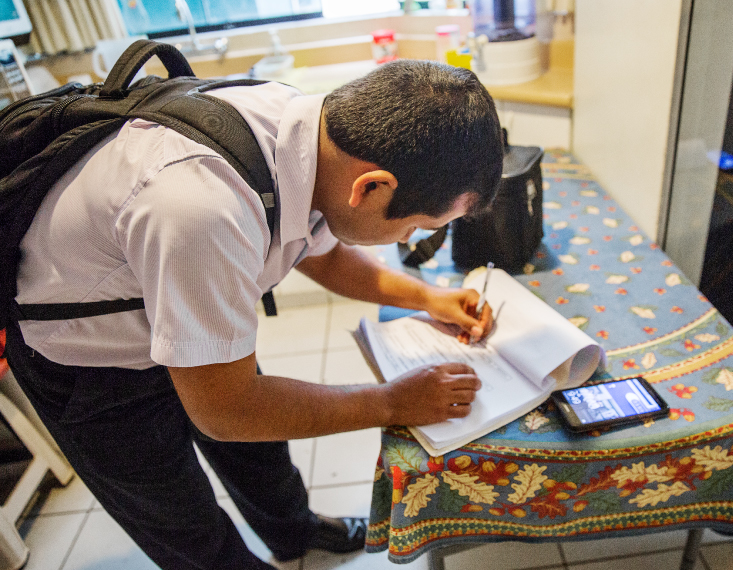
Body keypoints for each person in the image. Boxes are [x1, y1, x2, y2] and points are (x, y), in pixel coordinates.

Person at [4, 59, 503, 569]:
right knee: (181, 519)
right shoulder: (202, 206)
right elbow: (227, 411)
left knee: (263, 459)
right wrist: (393, 404)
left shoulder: (316, 140)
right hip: (90, 362)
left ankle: (296, 535)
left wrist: (427, 298)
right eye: (417, 227)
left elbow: (324, 252)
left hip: (174, 310)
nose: (408, 240)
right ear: (371, 187)